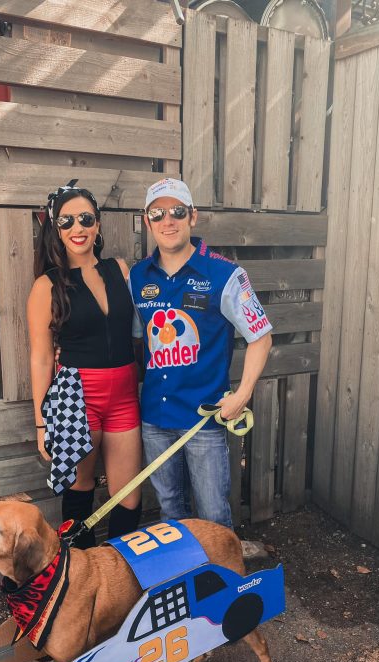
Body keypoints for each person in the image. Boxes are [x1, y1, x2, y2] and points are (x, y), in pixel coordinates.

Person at [129, 178, 272, 528]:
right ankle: (185, 578)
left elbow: (261, 337)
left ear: (193, 217)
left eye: (177, 211)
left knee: (212, 514)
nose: (168, 220)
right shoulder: (137, 277)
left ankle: (223, 578)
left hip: (203, 418)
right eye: (157, 213)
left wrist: (242, 394)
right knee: (169, 511)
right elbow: (138, 343)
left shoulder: (225, 274)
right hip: (155, 417)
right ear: (147, 222)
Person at [27, 181, 142, 547]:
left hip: (125, 395)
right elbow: (42, 356)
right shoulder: (46, 286)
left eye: (85, 218)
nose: (77, 228)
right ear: (55, 230)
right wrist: (42, 422)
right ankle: (83, 577)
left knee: (131, 495)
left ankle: (122, 578)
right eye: (66, 222)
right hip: (78, 399)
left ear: (97, 224)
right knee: (80, 489)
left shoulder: (119, 269)